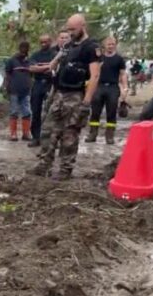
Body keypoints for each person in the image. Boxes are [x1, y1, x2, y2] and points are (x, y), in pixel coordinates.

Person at [32, 14, 101, 180]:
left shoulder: (91, 48)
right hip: (59, 93)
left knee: (69, 135)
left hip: (76, 95)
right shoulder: (68, 46)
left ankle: (65, 169)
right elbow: (54, 63)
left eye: (73, 29)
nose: (70, 32)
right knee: (48, 130)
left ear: (82, 26)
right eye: (68, 29)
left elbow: (95, 76)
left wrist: (86, 102)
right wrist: (48, 65)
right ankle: (44, 165)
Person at [85, 36, 127, 145]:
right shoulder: (99, 58)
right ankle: (92, 134)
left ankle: (109, 136)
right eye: (109, 44)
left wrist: (125, 88)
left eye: (113, 44)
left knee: (111, 112)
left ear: (115, 45)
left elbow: (123, 74)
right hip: (99, 86)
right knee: (95, 112)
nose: (111, 46)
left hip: (113, 87)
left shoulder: (119, 59)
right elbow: (93, 72)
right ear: (104, 45)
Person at [27, 34, 57, 147]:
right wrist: (47, 66)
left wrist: (41, 67)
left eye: (46, 42)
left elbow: (54, 67)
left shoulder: (54, 54)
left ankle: (52, 138)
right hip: (38, 84)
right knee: (35, 111)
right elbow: (31, 68)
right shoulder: (35, 54)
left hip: (50, 84)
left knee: (52, 112)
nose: (44, 44)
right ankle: (35, 137)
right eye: (41, 42)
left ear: (50, 41)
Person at [4, 41, 33, 141]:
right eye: (22, 47)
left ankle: (26, 133)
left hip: (26, 90)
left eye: (26, 48)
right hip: (14, 90)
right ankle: (13, 134)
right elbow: (7, 75)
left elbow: (32, 75)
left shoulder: (30, 61)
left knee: (27, 112)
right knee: (14, 111)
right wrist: (7, 87)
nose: (24, 50)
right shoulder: (12, 61)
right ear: (19, 48)